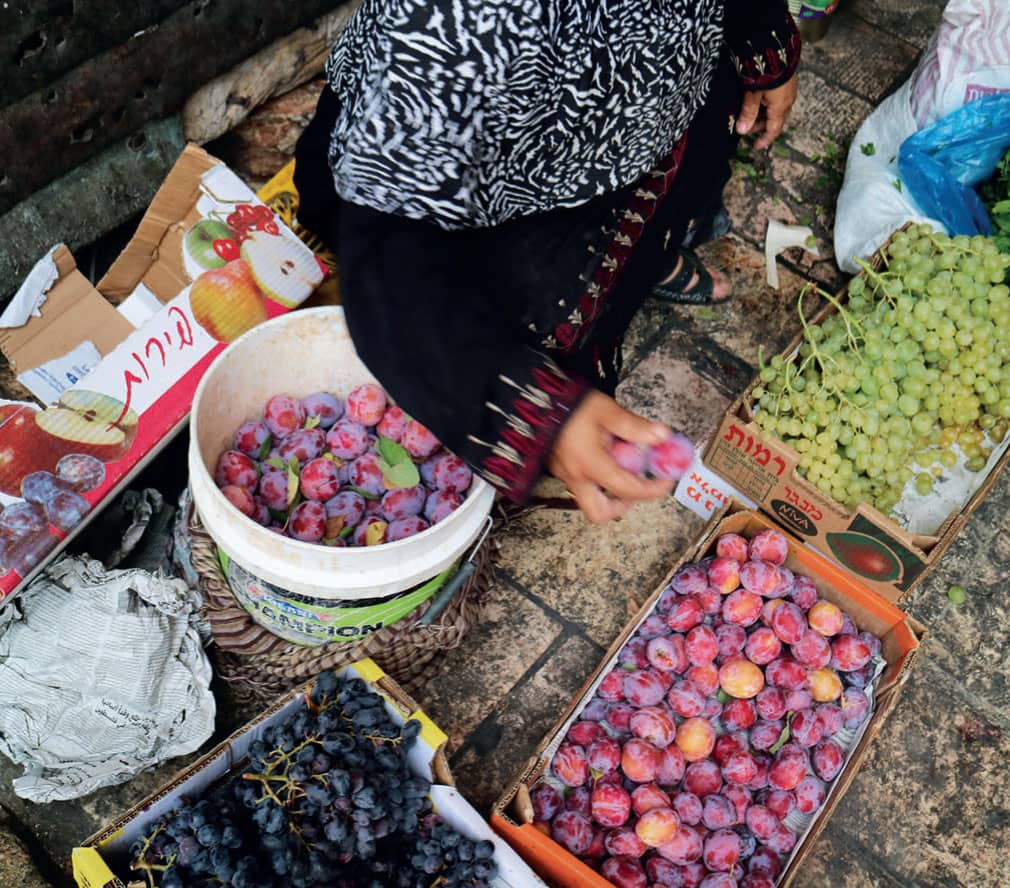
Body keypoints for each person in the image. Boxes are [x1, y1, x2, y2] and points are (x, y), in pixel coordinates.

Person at [293, 1, 800, 524]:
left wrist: (766, 41)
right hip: (486, 171)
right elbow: (390, 251)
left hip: (643, 102)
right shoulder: (471, 20)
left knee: (649, 229)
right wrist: (541, 418)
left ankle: (653, 260)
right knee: (529, 311)